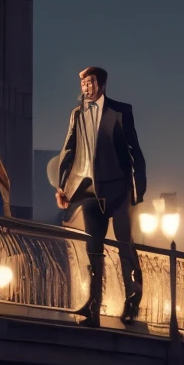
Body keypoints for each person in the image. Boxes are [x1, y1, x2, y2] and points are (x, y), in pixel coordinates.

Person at [55, 66, 146, 326]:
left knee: (124, 245)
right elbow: (68, 151)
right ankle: (93, 306)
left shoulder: (120, 111)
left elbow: (133, 151)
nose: (86, 87)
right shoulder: (76, 114)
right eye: (83, 83)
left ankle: (132, 299)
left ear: (102, 84)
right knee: (93, 249)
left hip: (118, 189)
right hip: (88, 191)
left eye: (91, 82)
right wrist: (62, 188)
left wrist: (137, 189)